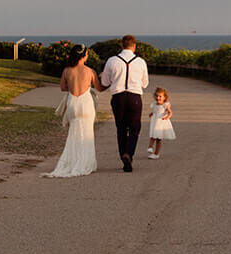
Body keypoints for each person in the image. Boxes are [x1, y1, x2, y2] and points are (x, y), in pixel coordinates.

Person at [44, 45, 100, 178]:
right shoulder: (90, 71)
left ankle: (72, 161)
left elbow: (63, 87)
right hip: (86, 104)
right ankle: (86, 163)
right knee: (87, 134)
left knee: (73, 133)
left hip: (73, 104)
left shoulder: (67, 71)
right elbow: (99, 87)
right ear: (84, 56)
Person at [98, 34, 149, 171]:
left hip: (118, 97)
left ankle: (123, 156)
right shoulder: (141, 62)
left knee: (121, 128)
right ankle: (129, 154)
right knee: (134, 128)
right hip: (135, 97)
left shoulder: (112, 61)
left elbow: (105, 82)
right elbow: (145, 84)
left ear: (122, 45)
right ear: (134, 46)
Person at [147, 86, 175, 159]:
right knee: (152, 135)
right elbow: (154, 111)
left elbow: (170, 112)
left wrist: (167, 117)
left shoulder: (165, 105)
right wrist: (151, 113)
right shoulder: (154, 104)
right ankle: (150, 147)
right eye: (156, 96)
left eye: (160, 96)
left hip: (161, 122)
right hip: (154, 121)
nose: (158, 98)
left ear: (164, 97)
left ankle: (156, 154)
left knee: (158, 139)